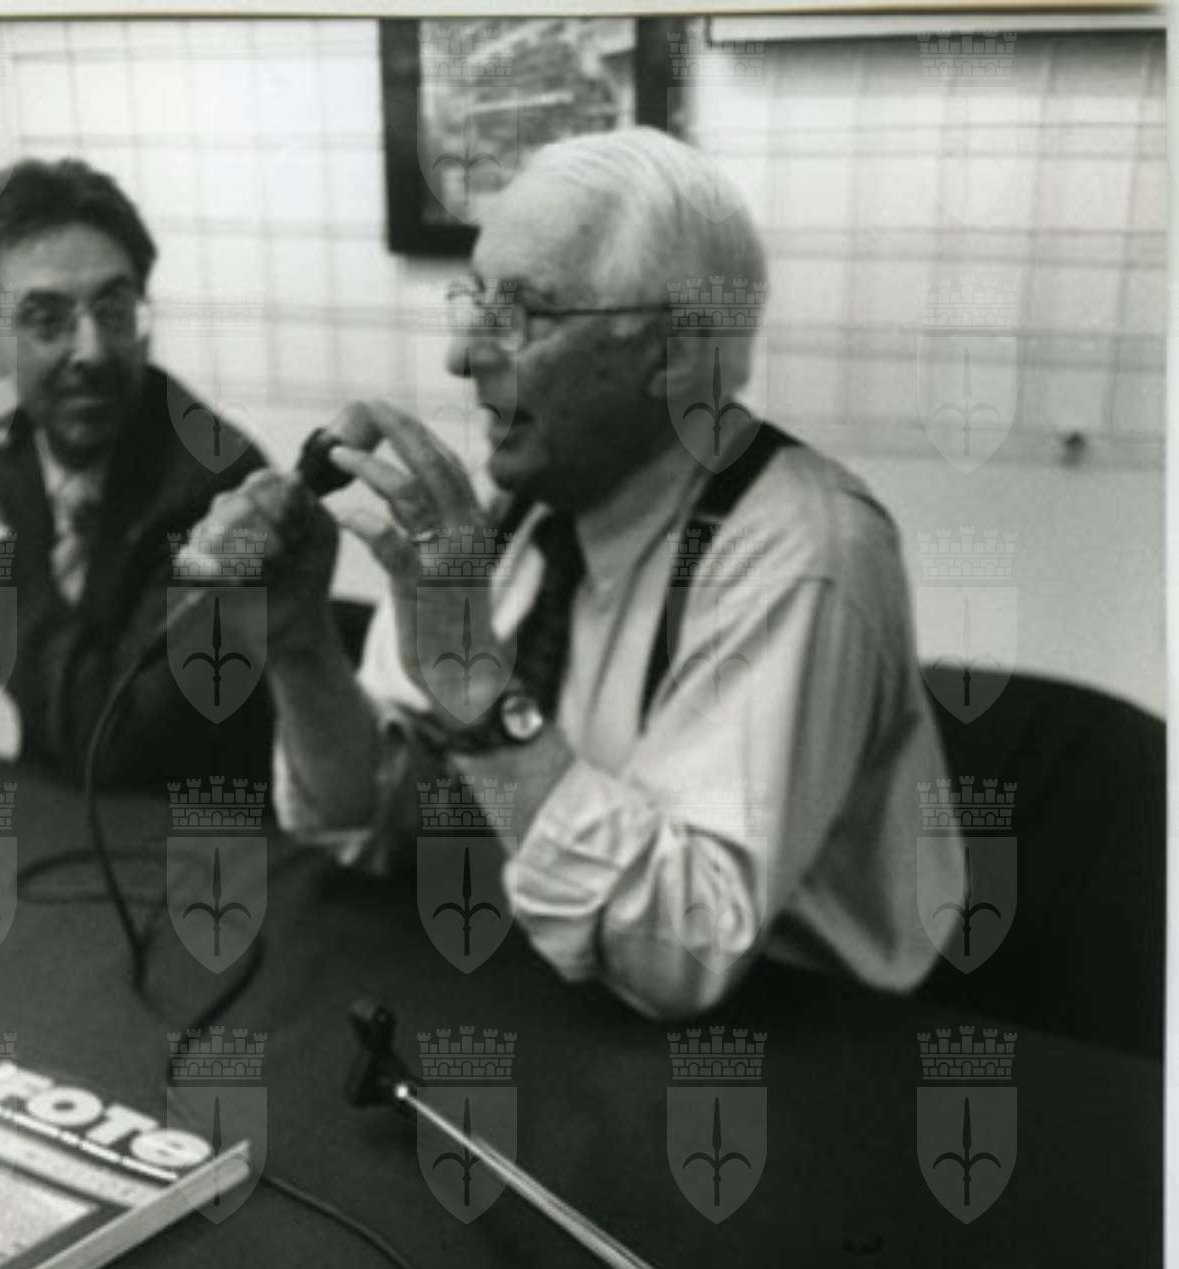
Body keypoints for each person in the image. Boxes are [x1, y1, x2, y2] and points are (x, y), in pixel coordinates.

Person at [254, 127, 962, 1019]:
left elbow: (679, 953)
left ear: (672, 351)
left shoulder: (804, 553)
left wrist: (479, 694)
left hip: (791, 1038)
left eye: (523, 313)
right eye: (472, 301)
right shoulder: (516, 513)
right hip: (553, 983)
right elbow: (373, 819)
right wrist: (297, 642)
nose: (461, 355)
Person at [0, 157, 284, 789]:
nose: (90, 350)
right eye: (47, 321)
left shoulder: (224, 487)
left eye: (114, 311)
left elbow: (115, 748)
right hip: (55, 822)